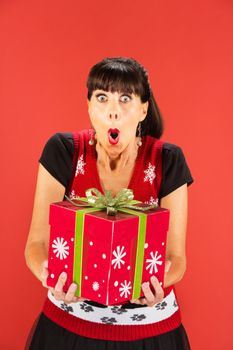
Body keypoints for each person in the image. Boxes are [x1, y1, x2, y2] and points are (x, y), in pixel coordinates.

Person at [24, 56, 194, 349]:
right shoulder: (63, 151)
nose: (112, 112)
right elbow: (36, 244)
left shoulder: (168, 159)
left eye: (125, 98)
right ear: (89, 105)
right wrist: (48, 274)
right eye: (102, 98)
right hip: (68, 327)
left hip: (149, 332)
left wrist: (159, 283)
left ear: (143, 109)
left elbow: (177, 258)